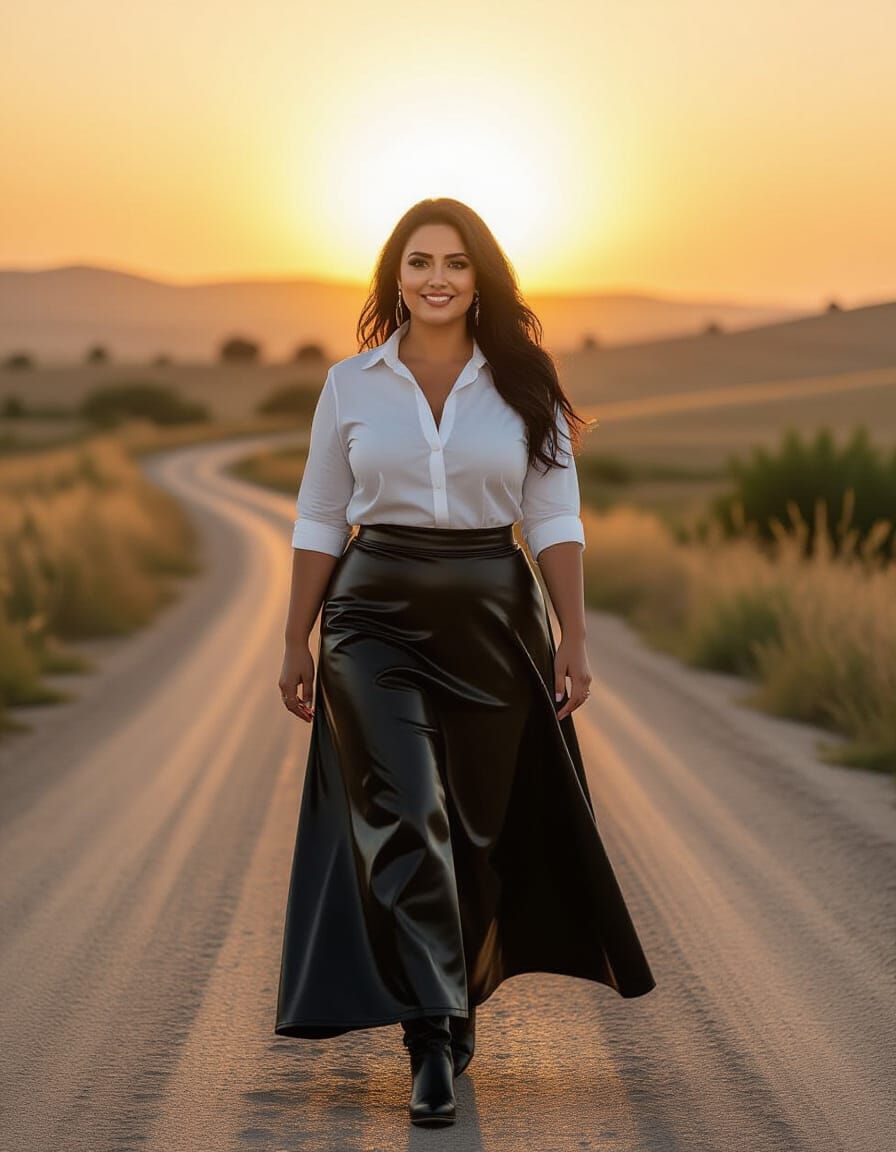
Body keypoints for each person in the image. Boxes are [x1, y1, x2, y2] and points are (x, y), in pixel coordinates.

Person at [275, 197, 656, 1127]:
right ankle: (433, 1035)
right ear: (392, 278)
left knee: (477, 827)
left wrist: (573, 633)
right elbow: (323, 515)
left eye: (454, 261)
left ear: (480, 276)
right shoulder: (350, 384)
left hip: (494, 611)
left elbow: (555, 516)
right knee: (405, 813)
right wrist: (297, 636)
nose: (436, 278)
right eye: (418, 262)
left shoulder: (526, 382)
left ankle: (454, 988)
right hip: (373, 615)